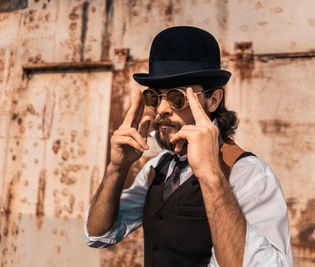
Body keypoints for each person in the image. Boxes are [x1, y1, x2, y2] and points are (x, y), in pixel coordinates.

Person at [84, 26, 293, 267]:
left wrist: (211, 176)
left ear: (213, 100)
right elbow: (97, 235)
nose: (162, 109)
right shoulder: (158, 168)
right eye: (155, 96)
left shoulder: (248, 173)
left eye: (176, 97)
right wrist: (116, 169)